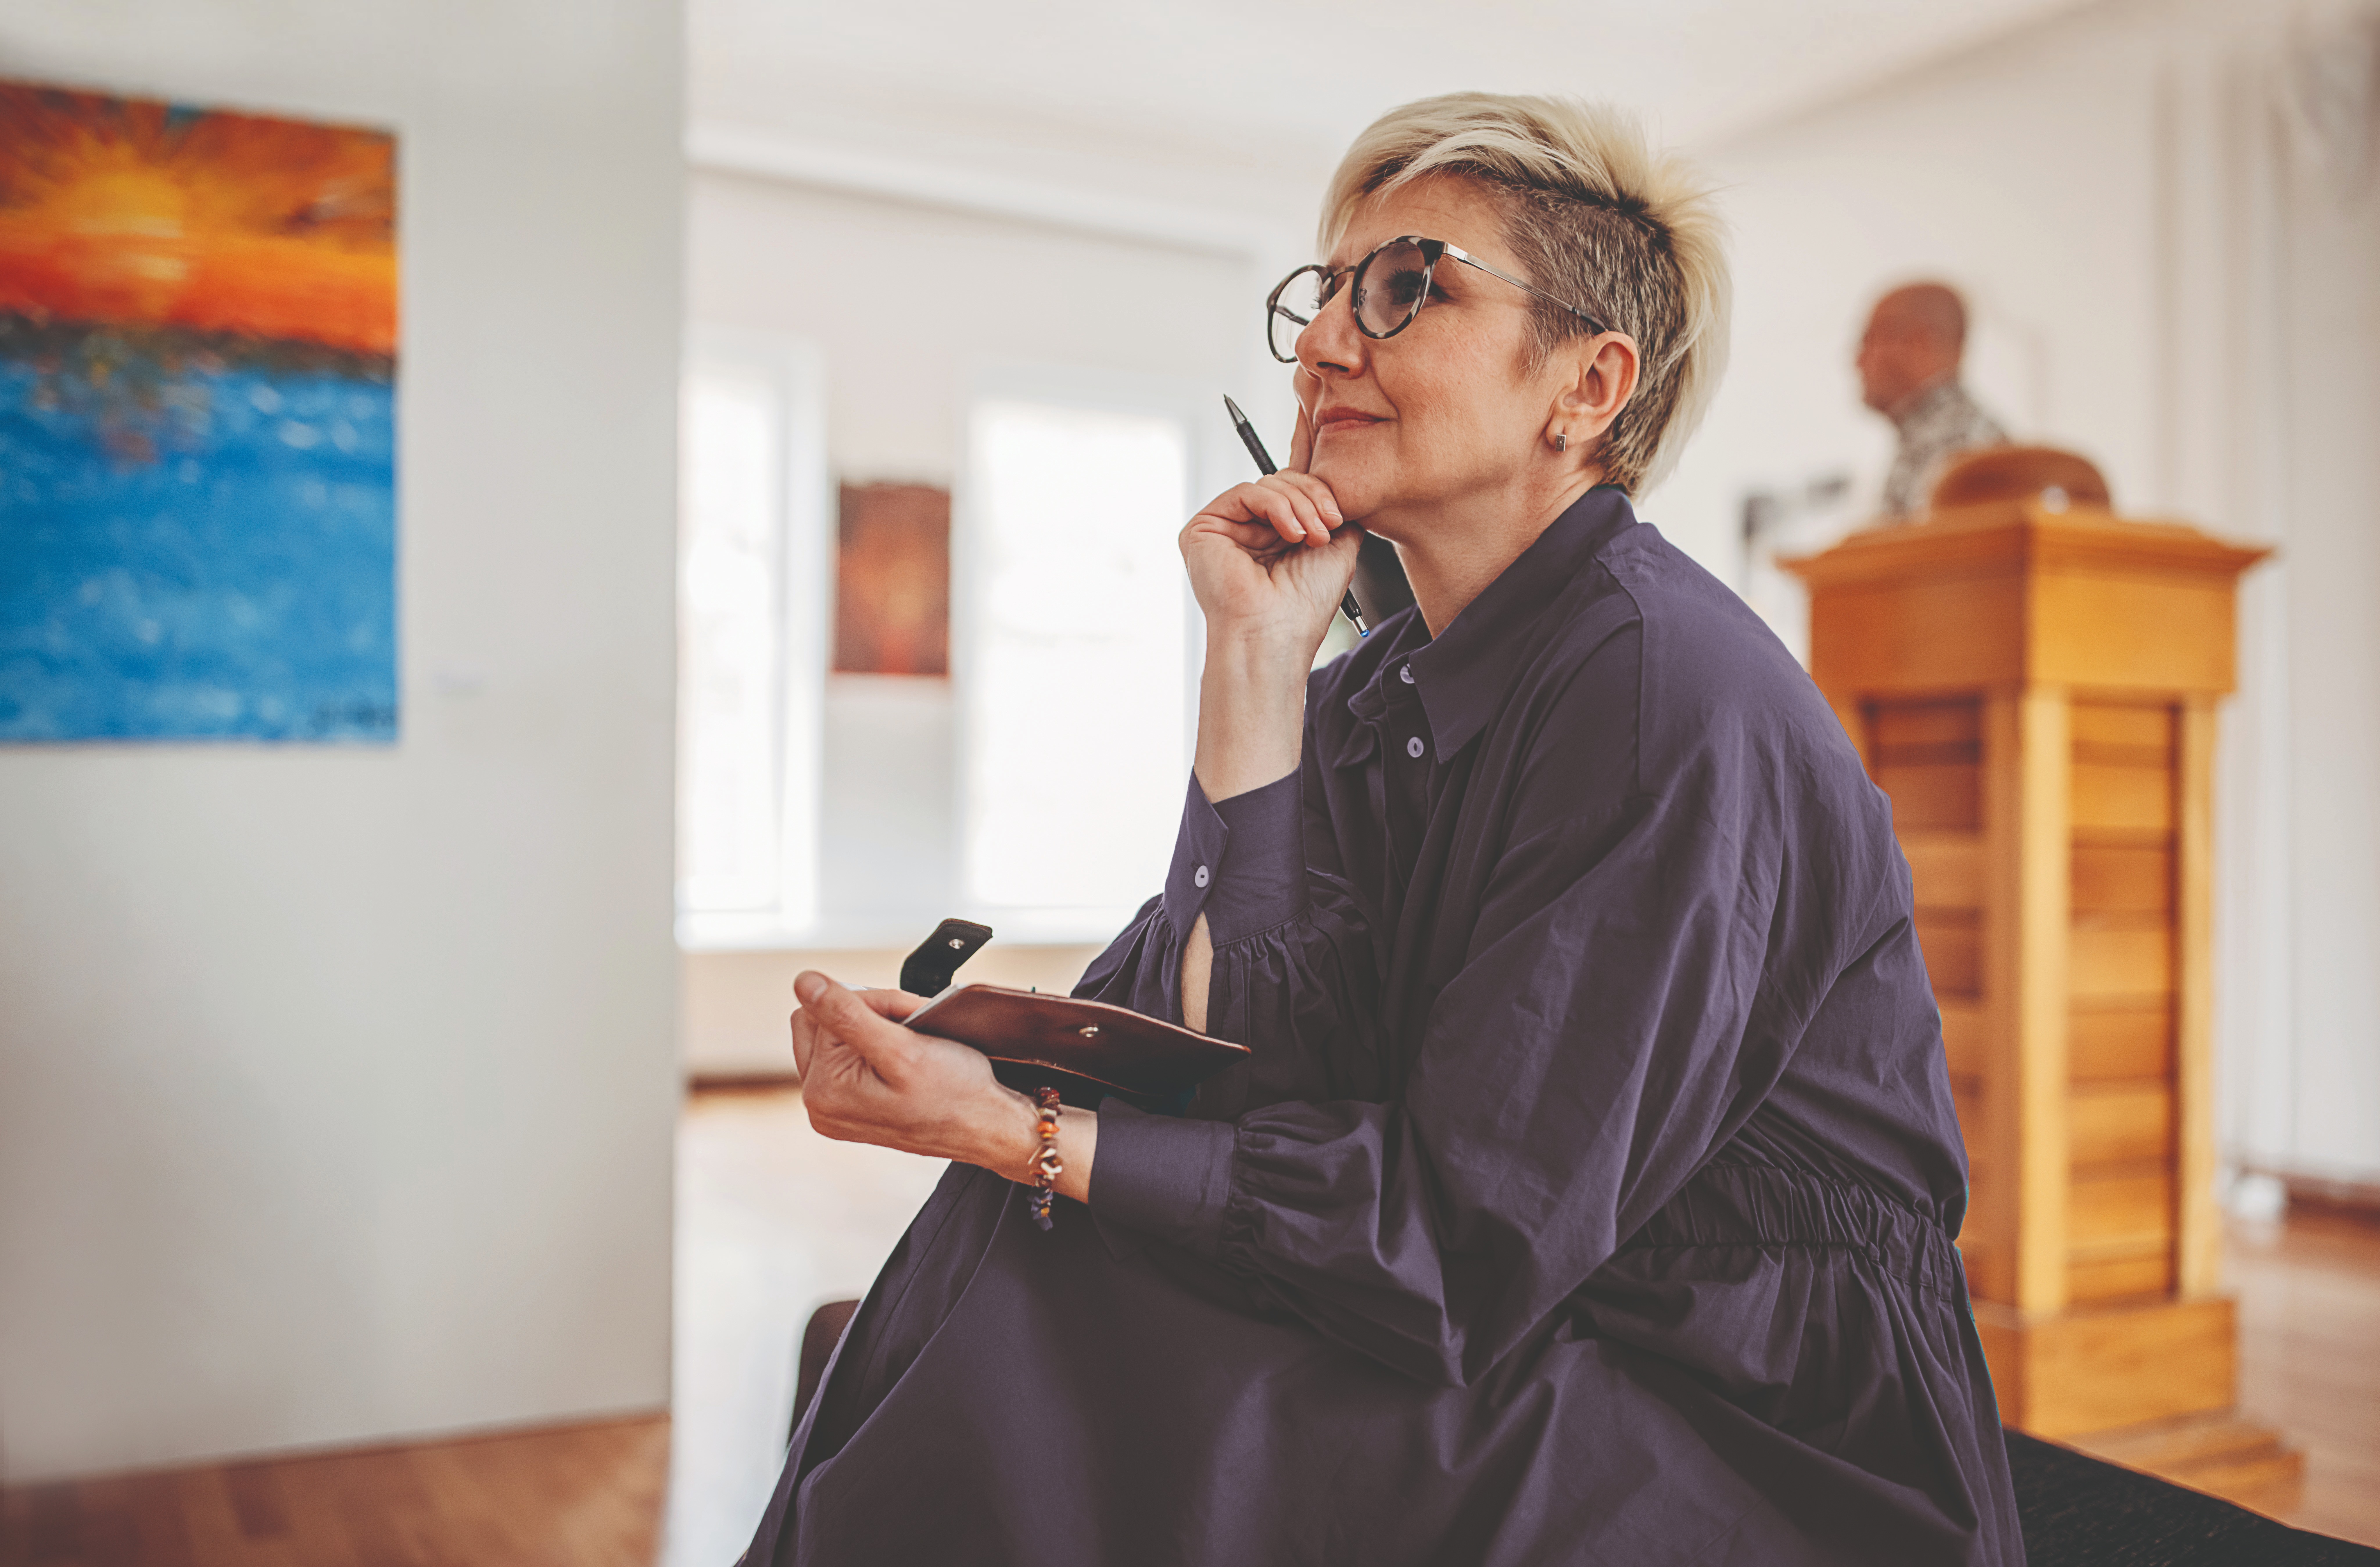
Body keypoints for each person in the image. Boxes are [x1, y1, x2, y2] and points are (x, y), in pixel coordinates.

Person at [743, 94, 2023, 1566]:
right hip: (1540, 1301)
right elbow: (1251, 1079)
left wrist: (1018, 1127)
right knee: (1017, 1226)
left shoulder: (1664, 687)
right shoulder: (1378, 682)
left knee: (1047, 1268)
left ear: (1589, 383)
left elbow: (1463, 1247)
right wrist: (1256, 662)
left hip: (1748, 1405)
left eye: (1405, 286)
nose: (1324, 341)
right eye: (1325, 292)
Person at [1857, 281, 2009, 520]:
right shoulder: (1936, 435)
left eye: (1869, 341)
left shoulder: (1960, 445)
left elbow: (1916, 553)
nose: (1858, 361)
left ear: (1918, 342)